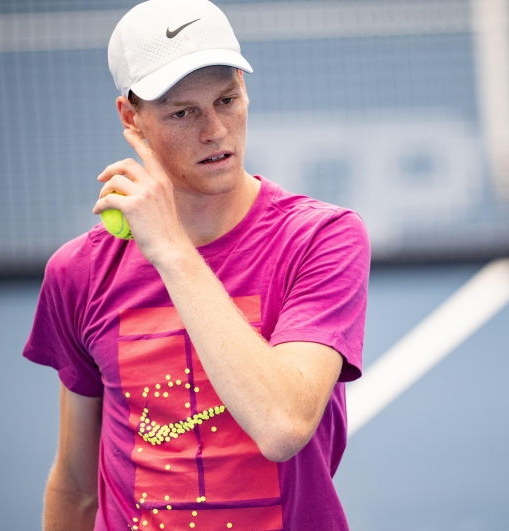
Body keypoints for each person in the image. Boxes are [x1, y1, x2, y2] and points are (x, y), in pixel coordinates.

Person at [22, 1, 370, 530]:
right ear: (130, 118)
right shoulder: (80, 272)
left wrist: (171, 251)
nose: (215, 131)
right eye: (183, 112)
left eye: (227, 100)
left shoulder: (320, 239)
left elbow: (282, 425)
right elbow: (75, 487)